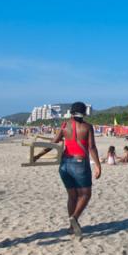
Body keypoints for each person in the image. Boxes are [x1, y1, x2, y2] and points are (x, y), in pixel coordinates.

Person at [36, 102, 101, 238]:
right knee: (85, 194)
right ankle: (74, 218)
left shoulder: (65, 126)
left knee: (72, 196)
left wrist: (37, 155)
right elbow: (92, 147)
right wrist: (97, 165)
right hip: (79, 163)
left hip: (65, 164)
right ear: (83, 113)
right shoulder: (87, 127)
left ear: (71, 113)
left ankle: (72, 227)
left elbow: (53, 144)